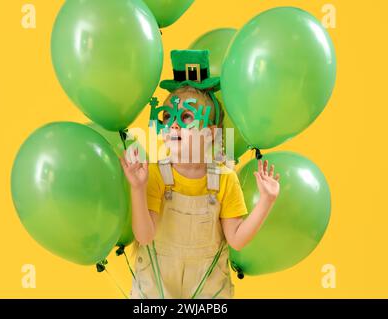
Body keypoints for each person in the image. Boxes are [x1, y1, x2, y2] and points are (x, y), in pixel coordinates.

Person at [119, 50, 280, 299]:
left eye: (186, 117)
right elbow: (144, 235)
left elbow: (236, 239)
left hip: (208, 290)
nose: (173, 124)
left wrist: (266, 202)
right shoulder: (155, 173)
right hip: (156, 287)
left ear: (211, 134)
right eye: (167, 117)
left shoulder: (224, 178)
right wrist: (138, 188)